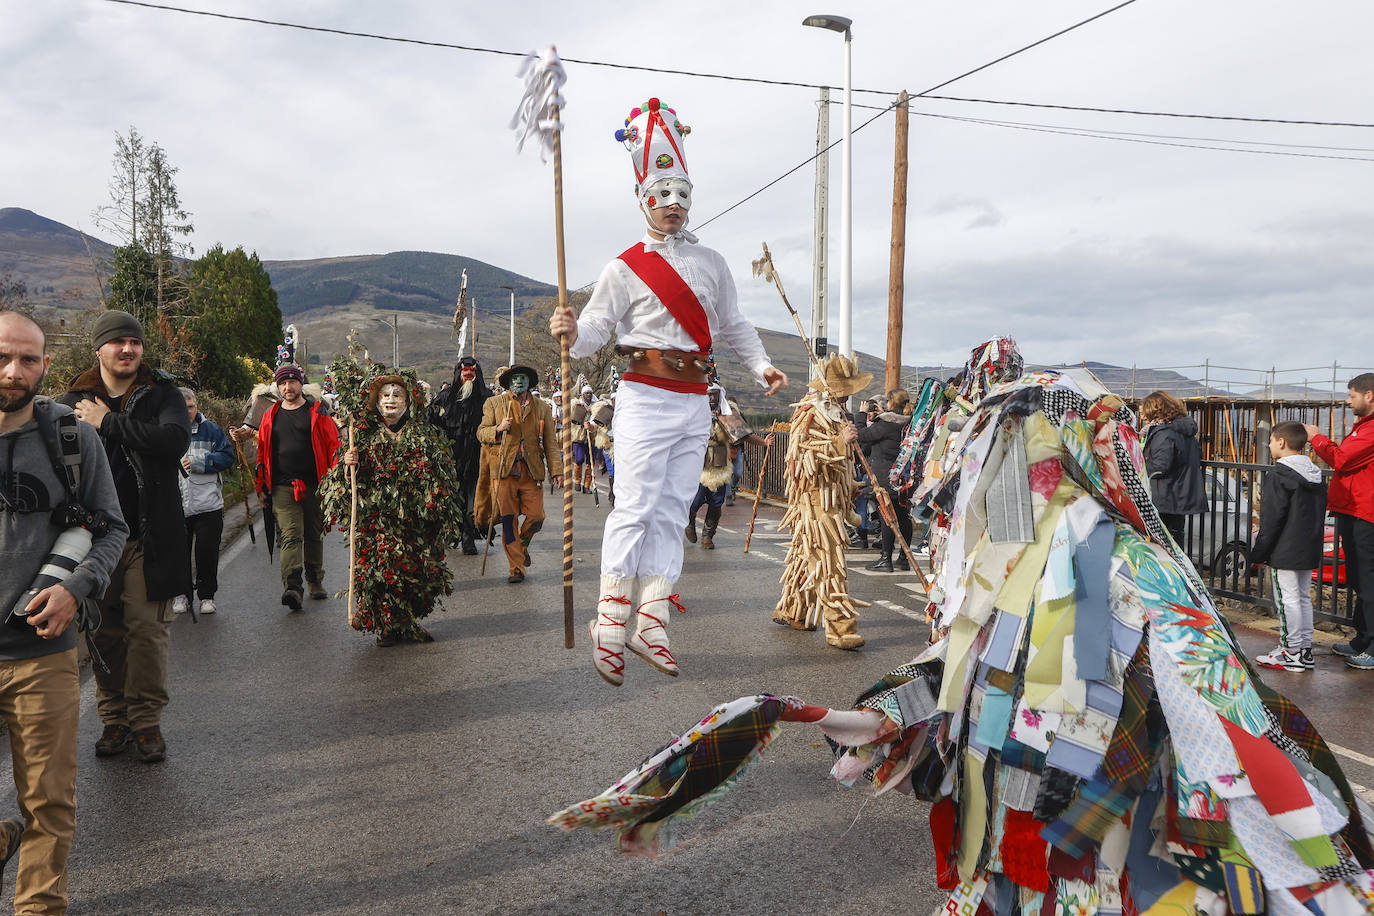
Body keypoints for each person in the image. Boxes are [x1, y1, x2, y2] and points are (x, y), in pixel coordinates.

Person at [548, 96, 787, 686]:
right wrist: (572, 330)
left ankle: (651, 618)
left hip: (691, 400)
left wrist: (761, 368)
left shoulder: (712, 261)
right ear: (642, 198)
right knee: (636, 502)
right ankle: (611, 618)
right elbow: (597, 333)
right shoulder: (624, 267)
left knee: (674, 506)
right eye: (662, 194)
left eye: (682, 193)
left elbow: (733, 325)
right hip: (643, 393)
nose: (673, 204)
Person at [0, 311, 128, 910]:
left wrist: (75, 589)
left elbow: (111, 529)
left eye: (28, 359)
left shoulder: (74, 439)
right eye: (4, 356)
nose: (13, 371)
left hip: (40, 650)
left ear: (46, 365)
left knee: (48, 800)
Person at [60, 309, 190, 765]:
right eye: (119, 342)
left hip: (150, 536)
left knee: (147, 631)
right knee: (105, 630)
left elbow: (174, 440)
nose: (129, 349)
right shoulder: (72, 400)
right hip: (93, 540)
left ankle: (146, 720)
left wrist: (108, 423)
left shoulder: (162, 392)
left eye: (135, 342)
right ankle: (114, 717)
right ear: (99, 349)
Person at [325, 370, 462, 646]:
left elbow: (440, 472)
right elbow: (341, 482)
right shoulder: (360, 436)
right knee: (380, 573)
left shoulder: (424, 435)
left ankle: (408, 623)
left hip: (413, 518)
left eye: (397, 395)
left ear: (408, 402)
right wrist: (348, 462)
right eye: (385, 395)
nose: (390, 400)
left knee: (413, 572)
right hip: (376, 519)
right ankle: (386, 627)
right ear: (376, 402)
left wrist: (435, 506)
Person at [773, 355, 869, 649]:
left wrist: (850, 484)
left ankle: (794, 610)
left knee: (807, 559)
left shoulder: (837, 414)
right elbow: (804, 458)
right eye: (847, 389)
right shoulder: (810, 414)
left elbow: (837, 463)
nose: (850, 395)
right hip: (814, 503)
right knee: (829, 563)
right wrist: (841, 442)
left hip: (831, 499)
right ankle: (841, 629)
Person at [232, 364, 340, 611]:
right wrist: (261, 486)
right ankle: (293, 586)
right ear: (277, 387)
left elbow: (333, 444)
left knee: (314, 532)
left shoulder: (317, 411)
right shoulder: (270, 414)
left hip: (316, 483)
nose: (287, 387)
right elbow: (262, 452)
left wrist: (337, 477)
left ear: (300, 384)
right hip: (282, 486)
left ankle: (314, 580)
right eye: (282, 383)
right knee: (291, 535)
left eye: (292, 382)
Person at [1307, 374, 1374, 668]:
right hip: (1353, 510)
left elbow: (1341, 459)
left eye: (1351, 396)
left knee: (1370, 580)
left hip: (1365, 513)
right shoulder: (1363, 428)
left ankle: (1372, 648)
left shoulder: (1371, 430)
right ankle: (1362, 639)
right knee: (1360, 579)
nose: (1348, 402)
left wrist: (1315, 437)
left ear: (1369, 395)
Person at [1250, 421, 1326, 672]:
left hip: (1285, 549)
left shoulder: (1279, 474)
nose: (1269, 446)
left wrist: (1259, 552)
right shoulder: (1315, 473)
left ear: (1281, 442)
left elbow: (1272, 519)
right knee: (1302, 598)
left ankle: (1290, 651)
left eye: (1270, 441)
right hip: (1307, 546)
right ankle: (1304, 650)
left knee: (1287, 600)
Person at [476, 365, 561, 584]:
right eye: (515, 378)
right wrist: (498, 429)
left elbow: (551, 443)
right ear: (508, 382)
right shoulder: (494, 404)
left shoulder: (541, 407)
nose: (519, 381)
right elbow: (481, 433)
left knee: (537, 517)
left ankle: (521, 549)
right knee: (508, 521)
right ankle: (516, 568)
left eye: (523, 378)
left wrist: (557, 471)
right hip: (503, 471)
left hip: (531, 472)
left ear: (529, 382)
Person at [174, 387, 236, 617]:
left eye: (191, 407)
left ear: (196, 406)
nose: (188, 412)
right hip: (177, 504)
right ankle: (181, 595)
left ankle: (207, 596)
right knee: (178, 553)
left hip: (208, 504)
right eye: (183, 408)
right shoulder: (168, 430)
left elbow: (227, 456)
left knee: (206, 553)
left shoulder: (211, 430)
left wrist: (200, 461)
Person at [428, 356, 491, 556]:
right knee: (454, 500)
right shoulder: (445, 397)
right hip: (452, 461)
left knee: (473, 504)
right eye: (465, 374)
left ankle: (469, 538)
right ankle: (455, 533)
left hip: (477, 460)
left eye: (472, 374)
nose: (469, 377)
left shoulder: (488, 398)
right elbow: (429, 422)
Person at [849, 390, 914, 573]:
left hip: (885, 477)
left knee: (887, 516)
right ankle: (904, 558)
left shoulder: (887, 424)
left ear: (890, 403)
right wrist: (881, 415)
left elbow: (861, 435)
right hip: (902, 476)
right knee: (902, 516)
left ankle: (886, 559)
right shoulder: (908, 422)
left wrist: (861, 414)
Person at [1140, 390, 1205, 544]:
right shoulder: (1183, 429)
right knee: (1176, 542)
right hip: (1178, 497)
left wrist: (1138, 465)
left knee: (1161, 545)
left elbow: (1160, 466)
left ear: (1156, 411)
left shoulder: (1165, 433)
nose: (1143, 417)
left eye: (1145, 412)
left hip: (1164, 498)